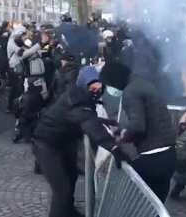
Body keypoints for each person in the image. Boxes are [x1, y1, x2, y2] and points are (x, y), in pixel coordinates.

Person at [33, 66, 124, 217]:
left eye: (98, 87)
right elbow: (88, 123)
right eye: (92, 87)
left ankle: (68, 212)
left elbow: (85, 117)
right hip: (46, 145)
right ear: (83, 85)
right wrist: (113, 147)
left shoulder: (81, 96)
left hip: (64, 142)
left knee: (71, 177)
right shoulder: (76, 99)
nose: (96, 91)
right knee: (61, 190)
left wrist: (105, 121)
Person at [100, 61, 176, 202]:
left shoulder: (130, 92)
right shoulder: (143, 84)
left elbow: (138, 126)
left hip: (152, 157)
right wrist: (124, 130)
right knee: (157, 205)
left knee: (135, 203)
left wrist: (121, 138)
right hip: (169, 155)